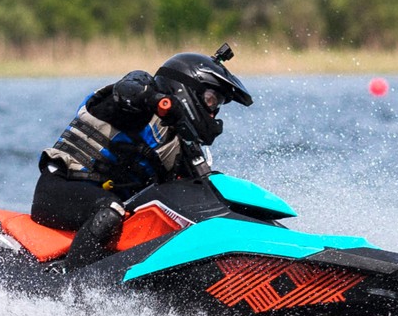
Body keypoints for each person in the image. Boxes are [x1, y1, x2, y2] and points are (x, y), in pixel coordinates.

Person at [32, 45, 252, 267]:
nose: (213, 113)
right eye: (212, 100)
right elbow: (128, 90)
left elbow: (200, 195)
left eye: (218, 106)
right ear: (186, 89)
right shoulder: (136, 103)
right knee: (110, 210)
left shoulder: (179, 149)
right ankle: (70, 280)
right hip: (58, 189)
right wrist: (158, 101)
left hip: (105, 214)